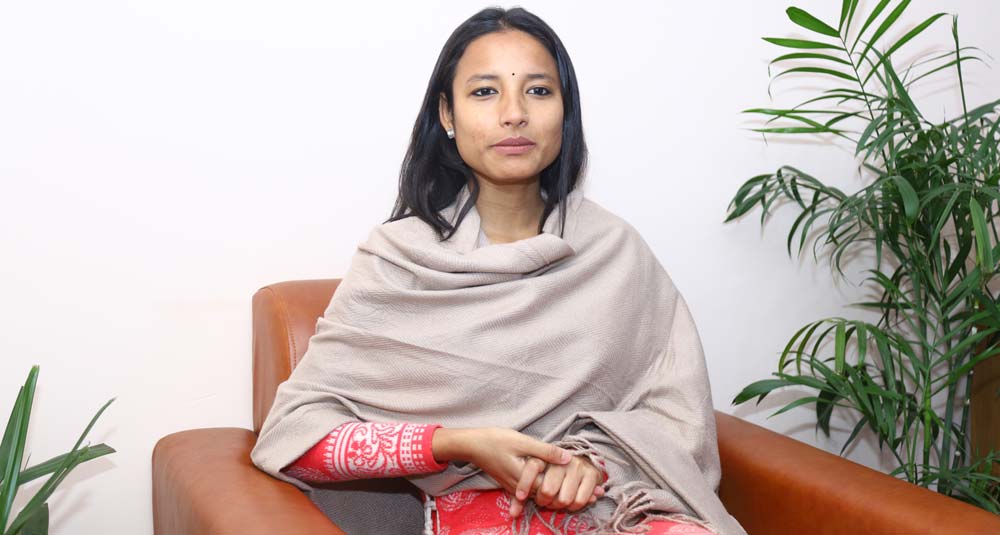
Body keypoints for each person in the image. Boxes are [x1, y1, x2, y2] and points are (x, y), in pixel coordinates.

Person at [250, 6, 748, 535]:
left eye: (538, 91)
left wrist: (592, 463)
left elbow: (675, 417)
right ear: (447, 114)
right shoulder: (397, 260)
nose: (514, 113)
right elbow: (296, 439)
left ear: (565, 113)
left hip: (619, 510)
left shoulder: (615, 251)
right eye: (485, 91)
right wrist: (457, 443)